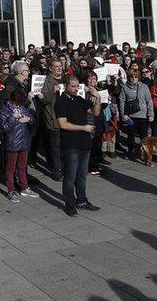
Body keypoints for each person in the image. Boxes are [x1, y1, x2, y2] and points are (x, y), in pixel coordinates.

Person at [56, 75, 100, 216]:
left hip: (84, 142)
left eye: (77, 87)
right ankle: (70, 203)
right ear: (66, 86)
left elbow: (96, 112)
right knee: (70, 175)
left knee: (82, 175)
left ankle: (82, 200)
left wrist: (97, 97)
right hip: (71, 144)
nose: (75, 89)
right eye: (73, 86)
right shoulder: (61, 102)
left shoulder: (79, 99)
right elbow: (63, 124)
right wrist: (83, 128)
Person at [0, 87, 37, 202]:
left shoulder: (22, 107)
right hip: (12, 143)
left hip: (24, 142)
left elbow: (32, 121)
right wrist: (12, 118)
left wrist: (29, 119)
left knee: (22, 166)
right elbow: (3, 129)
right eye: (17, 103)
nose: (18, 105)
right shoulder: (4, 111)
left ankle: (24, 187)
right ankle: (11, 189)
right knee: (10, 168)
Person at [37, 58, 65, 179]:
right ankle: (57, 171)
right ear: (50, 68)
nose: (59, 68)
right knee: (55, 146)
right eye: (56, 66)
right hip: (53, 117)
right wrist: (52, 91)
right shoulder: (48, 81)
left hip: (66, 117)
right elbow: (44, 100)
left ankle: (64, 167)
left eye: (60, 66)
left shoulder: (65, 78)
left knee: (65, 145)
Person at [118, 68, 153, 160]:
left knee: (144, 137)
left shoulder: (144, 86)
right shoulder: (125, 87)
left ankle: (145, 154)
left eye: (136, 76)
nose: (133, 78)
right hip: (131, 116)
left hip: (143, 116)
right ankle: (130, 152)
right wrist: (123, 114)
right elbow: (122, 101)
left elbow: (149, 101)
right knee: (131, 135)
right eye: (131, 77)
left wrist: (151, 114)